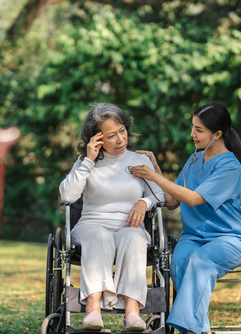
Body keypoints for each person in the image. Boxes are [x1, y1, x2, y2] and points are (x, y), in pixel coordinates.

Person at [130, 102, 241, 334]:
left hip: (231, 239)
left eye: (199, 129)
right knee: (179, 261)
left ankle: (190, 329)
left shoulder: (230, 165)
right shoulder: (195, 159)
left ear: (217, 134)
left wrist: (155, 178)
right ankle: (201, 330)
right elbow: (172, 200)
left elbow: (194, 199)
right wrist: (155, 169)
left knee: (200, 261)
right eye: (193, 127)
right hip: (194, 236)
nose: (192, 134)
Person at [59, 103, 164, 330]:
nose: (120, 140)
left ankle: (133, 312)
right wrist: (88, 160)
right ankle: (93, 309)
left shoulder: (139, 160)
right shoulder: (86, 164)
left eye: (122, 131)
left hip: (130, 227)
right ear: (97, 139)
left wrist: (143, 202)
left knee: (134, 238)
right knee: (99, 236)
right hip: (91, 226)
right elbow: (67, 195)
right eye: (111, 135)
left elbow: (160, 194)